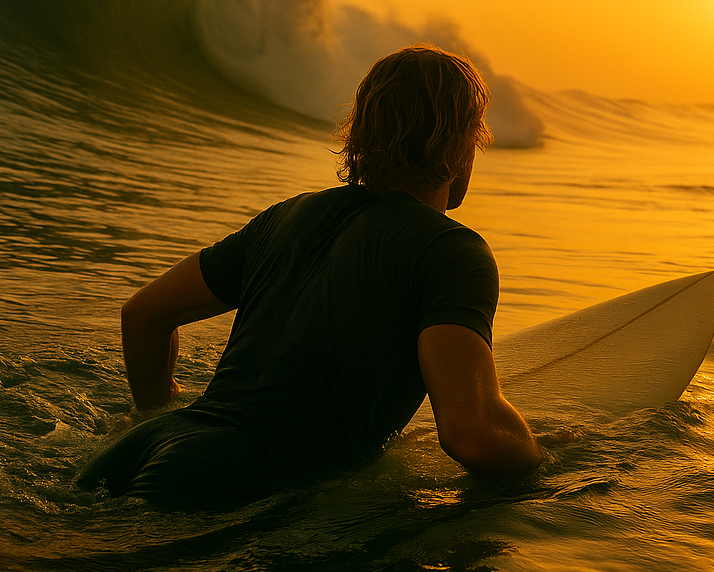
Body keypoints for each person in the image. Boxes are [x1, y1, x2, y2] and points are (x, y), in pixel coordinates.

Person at [77, 44, 542, 509]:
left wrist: (154, 414)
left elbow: (142, 316)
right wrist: (545, 456)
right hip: (220, 475)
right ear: (459, 142)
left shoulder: (287, 217)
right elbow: (473, 438)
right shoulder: (452, 251)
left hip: (144, 447)